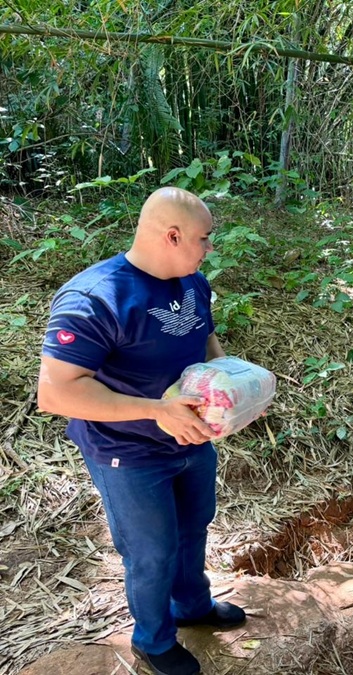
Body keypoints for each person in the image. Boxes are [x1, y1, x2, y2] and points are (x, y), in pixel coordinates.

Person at [37, 187, 245, 675]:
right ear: (172, 236)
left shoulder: (192, 281)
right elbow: (56, 393)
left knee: (195, 527)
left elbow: (205, 335)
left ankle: (192, 606)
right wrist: (157, 410)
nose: (209, 248)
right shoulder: (96, 297)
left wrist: (230, 384)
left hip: (191, 438)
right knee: (152, 552)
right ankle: (152, 641)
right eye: (204, 238)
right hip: (126, 450)